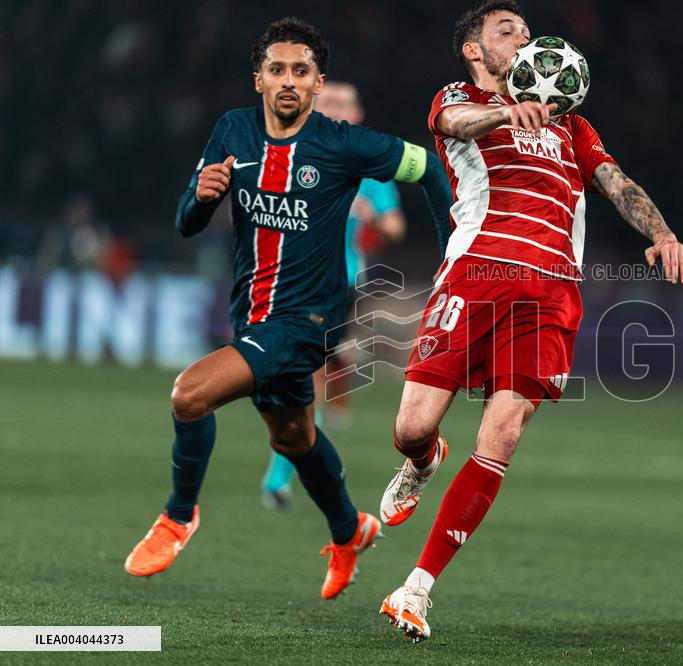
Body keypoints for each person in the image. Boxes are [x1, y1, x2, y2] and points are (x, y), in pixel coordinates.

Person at [376, 0, 683, 642]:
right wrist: (504, 111)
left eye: (525, 29)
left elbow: (616, 180)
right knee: (411, 426)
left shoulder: (571, 125)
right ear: (475, 49)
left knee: (501, 436)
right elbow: (456, 123)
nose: (522, 37)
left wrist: (660, 232)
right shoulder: (457, 99)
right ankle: (423, 457)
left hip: (550, 296)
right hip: (473, 280)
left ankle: (417, 589)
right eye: (506, 29)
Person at [123, 17, 453, 601]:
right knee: (294, 438)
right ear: (258, 79)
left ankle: (178, 517)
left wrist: (456, 247)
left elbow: (426, 166)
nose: (288, 81)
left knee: (189, 394)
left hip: (311, 323)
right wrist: (200, 201)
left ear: (318, 81)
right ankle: (350, 531)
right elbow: (185, 221)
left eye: (301, 71)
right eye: (277, 69)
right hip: (252, 316)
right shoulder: (233, 131)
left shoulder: (344, 143)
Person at [260, 81, 410, 509]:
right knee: (295, 375)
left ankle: (280, 476)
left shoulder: (369, 170)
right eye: (329, 103)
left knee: (306, 376)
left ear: (359, 115)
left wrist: (370, 218)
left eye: (346, 104)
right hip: (282, 277)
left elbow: (396, 226)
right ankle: (315, 436)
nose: (338, 110)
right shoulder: (290, 155)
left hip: (336, 285)